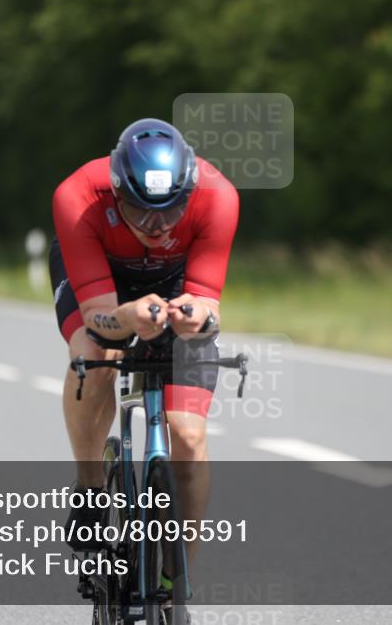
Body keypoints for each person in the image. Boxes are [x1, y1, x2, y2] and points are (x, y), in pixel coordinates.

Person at [50, 117, 239, 604]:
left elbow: (208, 303)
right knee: (96, 356)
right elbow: (97, 321)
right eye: (139, 209)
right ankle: (92, 490)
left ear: (189, 190)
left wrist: (197, 317)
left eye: (171, 209)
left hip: (176, 284)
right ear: (115, 192)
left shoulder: (219, 196)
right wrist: (128, 318)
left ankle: (177, 581)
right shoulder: (78, 197)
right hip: (100, 282)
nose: (157, 225)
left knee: (190, 436)